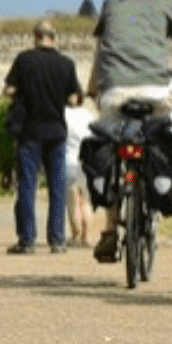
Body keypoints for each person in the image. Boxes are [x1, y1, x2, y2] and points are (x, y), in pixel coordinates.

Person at [87, 0, 172, 263]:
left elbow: (101, 51)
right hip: (156, 92)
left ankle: (110, 230)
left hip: (115, 92)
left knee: (109, 144)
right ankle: (170, 201)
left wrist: (93, 86)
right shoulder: (168, 4)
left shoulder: (111, 3)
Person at [2, 21, 83, 252]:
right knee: (57, 187)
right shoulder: (66, 64)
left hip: (30, 132)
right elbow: (75, 98)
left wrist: (22, 93)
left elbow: (8, 90)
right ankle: (57, 240)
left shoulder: (24, 60)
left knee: (27, 186)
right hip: (56, 131)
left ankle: (27, 240)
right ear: (54, 37)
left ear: (35, 36)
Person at [62, 100, 98, 247]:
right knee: (86, 202)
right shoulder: (88, 115)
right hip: (86, 162)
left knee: (73, 202)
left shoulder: (62, 114)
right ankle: (87, 236)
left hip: (68, 161)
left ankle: (76, 235)